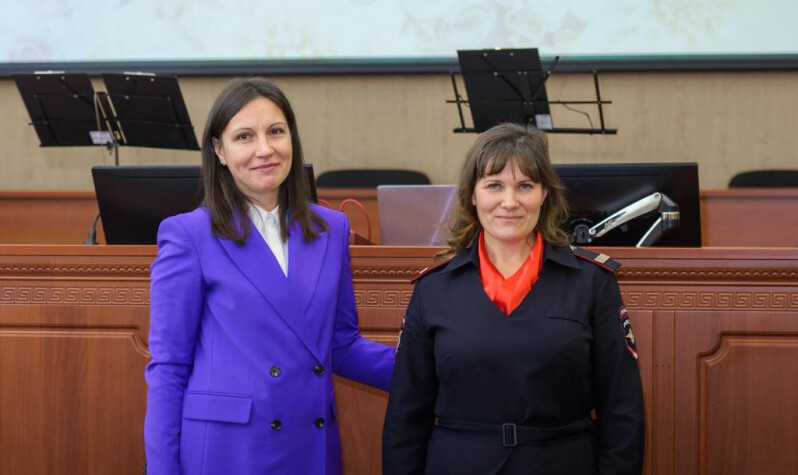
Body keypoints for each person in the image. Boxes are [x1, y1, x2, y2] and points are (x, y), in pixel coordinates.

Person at [144, 77, 394, 474]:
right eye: (244, 136)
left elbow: (341, 345)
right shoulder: (188, 235)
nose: (265, 149)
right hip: (229, 452)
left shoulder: (331, 229)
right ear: (219, 151)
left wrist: (434, 368)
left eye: (275, 132)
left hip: (310, 449)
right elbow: (169, 367)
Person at [383, 123, 645, 474]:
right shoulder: (433, 289)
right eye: (494, 185)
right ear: (472, 195)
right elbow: (406, 416)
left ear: (544, 194)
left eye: (525, 186)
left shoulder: (591, 282)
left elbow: (622, 410)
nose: (510, 202)